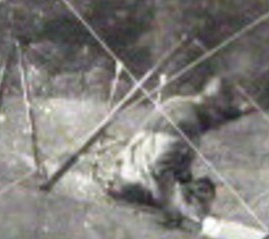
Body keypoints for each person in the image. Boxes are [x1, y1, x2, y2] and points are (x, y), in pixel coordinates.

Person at [106, 76, 247, 226]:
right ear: (211, 106)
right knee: (204, 190)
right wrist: (170, 208)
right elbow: (160, 168)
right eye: (220, 117)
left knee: (190, 182)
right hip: (137, 187)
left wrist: (242, 112)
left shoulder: (176, 103)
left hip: (121, 175)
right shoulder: (187, 124)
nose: (218, 126)